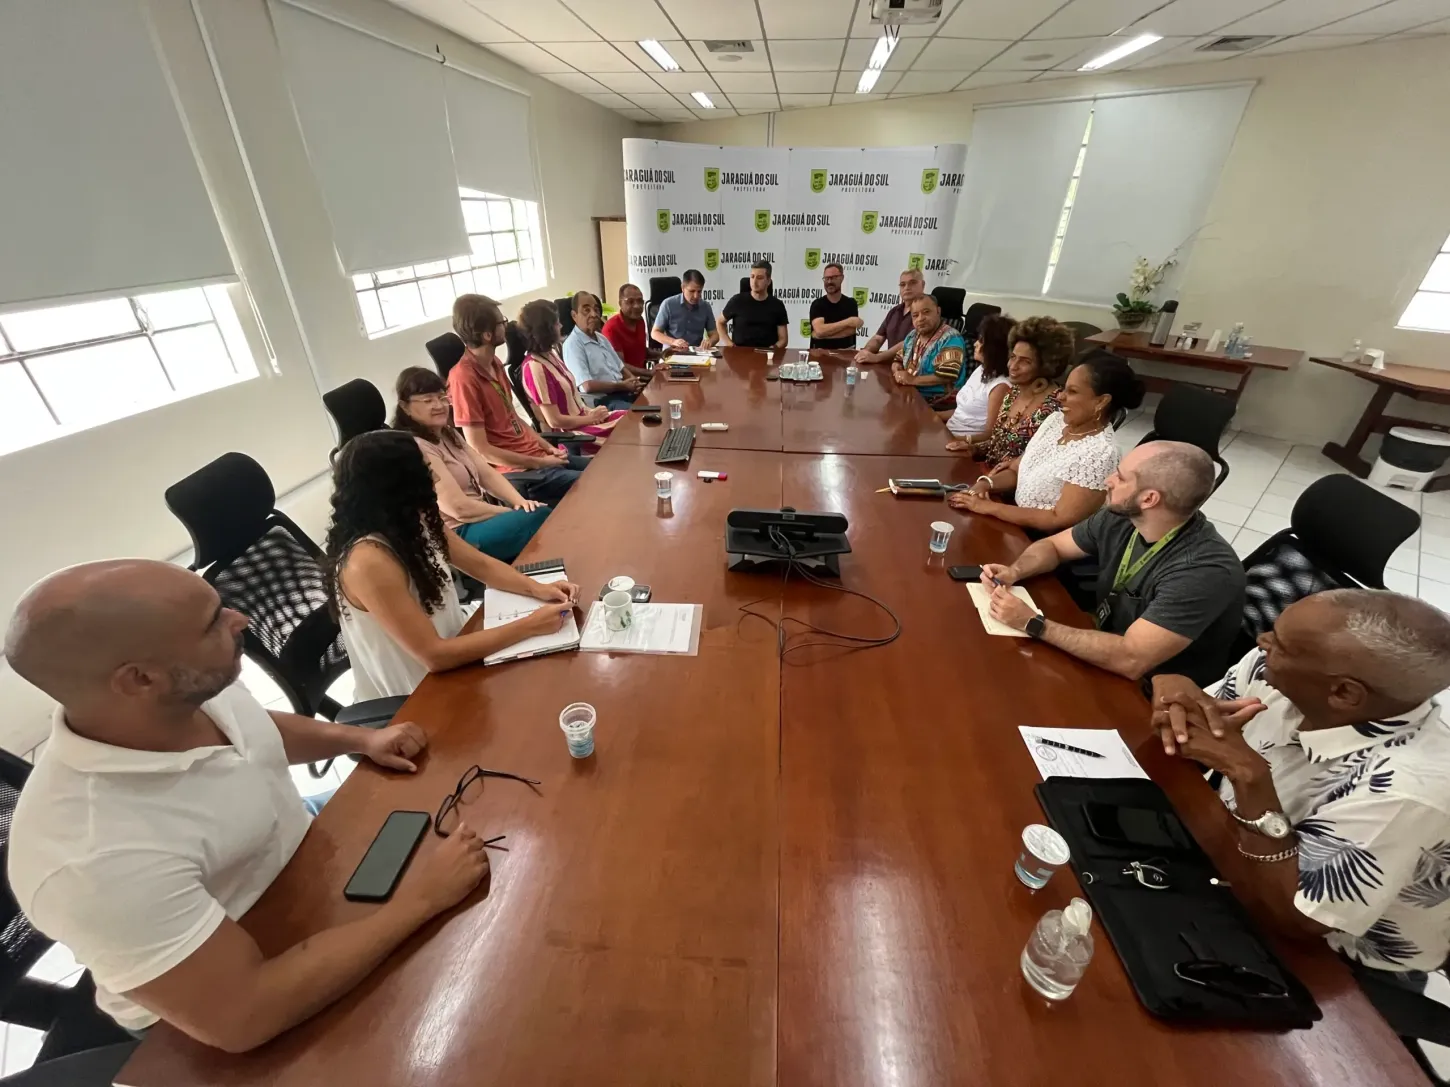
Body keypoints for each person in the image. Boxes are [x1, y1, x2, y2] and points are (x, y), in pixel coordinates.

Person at [4, 558, 492, 1051]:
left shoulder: (179, 692)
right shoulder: (90, 861)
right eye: (214, 621)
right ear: (140, 680)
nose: (241, 619)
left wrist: (360, 740)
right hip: (227, 992)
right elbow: (244, 1016)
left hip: (300, 864)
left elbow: (256, 729)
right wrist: (422, 901)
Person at [1149, 589, 1450, 1003]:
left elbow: (1297, 919)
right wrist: (1175, 693)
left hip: (1336, 965)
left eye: (1280, 645)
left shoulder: (1409, 792)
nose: (1261, 642)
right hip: (1232, 858)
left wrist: (1250, 776)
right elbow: (1189, 726)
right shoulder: (1273, 671)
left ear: (1344, 694)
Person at [326, 430, 579, 699]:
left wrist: (537, 588)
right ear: (394, 486)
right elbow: (434, 656)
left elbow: (479, 564)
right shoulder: (368, 561)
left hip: (459, 641)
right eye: (424, 471)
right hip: (422, 690)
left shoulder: (412, 517)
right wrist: (531, 625)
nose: (434, 478)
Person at [979, 441, 1244, 687]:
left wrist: (1032, 623)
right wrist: (1016, 570)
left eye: (1120, 477)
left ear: (1149, 499)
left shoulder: (1203, 572)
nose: (1109, 480)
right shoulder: (1121, 516)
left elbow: (1131, 659)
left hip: (1152, 692)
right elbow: (1054, 546)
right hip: (1104, 645)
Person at [949, 351, 1144, 535]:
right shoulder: (1055, 421)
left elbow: (1058, 519)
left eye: (1073, 391)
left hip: (1041, 540)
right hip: (1011, 520)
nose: (1060, 396)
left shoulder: (1100, 453)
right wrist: (986, 484)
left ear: (1101, 401)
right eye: (1064, 388)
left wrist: (989, 508)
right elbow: (1019, 470)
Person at [390, 367, 550, 563]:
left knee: (536, 513)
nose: (439, 405)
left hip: (482, 518)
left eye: (442, 397)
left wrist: (521, 502)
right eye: (428, 400)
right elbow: (458, 509)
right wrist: (511, 512)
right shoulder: (418, 448)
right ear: (404, 407)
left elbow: (486, 474)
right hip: (459, 534)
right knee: (541, 517)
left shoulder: (448, 433)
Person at [446, 293, 589, 507]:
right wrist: (540, 462)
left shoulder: (494, 364)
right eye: (501, 322)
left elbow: (514, 418)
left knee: (605, 468)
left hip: (539, 458)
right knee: (596, 484)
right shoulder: (464, 378)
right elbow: (481, 449)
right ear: (487, 335)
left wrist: (547, 448)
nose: (506, 326)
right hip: (521, 473)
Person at [518, 298, 624, 452]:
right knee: (627, 433)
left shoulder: (551, 354)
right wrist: (591, 418)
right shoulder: (535, 367)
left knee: (630, 418)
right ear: (545, 329)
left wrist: (592, 413)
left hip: (584, 419)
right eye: (556, 323)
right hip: (572, 434)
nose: (560, 326)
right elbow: (554, 421)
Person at [968, 316, 1074, 465]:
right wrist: (971, 448)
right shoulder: (1013, 392)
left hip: (1010, 484)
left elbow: (1037, 464)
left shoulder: (1055, 407)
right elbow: (997, 444)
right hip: (986, 473)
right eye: (1013, 357)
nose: (1013, 366)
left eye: (1025, 361)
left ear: (1045, 365)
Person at [563, 290, 651, 410]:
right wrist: (622, 386)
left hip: (622, 393)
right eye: (586, 310)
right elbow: (587, 386)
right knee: (638, 414)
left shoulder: (601, 338)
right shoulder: (573, 344)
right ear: (574, 315)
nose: (594, 314)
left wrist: (633, 382)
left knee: (656, 401)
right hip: (601, 401)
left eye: (596, 309)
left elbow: (621, 367)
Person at [940, 312, 1013, 445]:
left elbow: (989, 434)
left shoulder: (1000, 386)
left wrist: (956, 439)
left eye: (981, 341)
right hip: (947, 433)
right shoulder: (981, 370)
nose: (975, 344)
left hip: (962, 446)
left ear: (994, 348)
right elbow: (961, 413)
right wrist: (933, 417)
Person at [891, 294, 968, 401]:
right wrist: (897, 370)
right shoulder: (912, 335)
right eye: (915, 315)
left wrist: (912, 379)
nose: (920, 319)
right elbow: (898, 359)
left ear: (938, 311)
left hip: (938, 402)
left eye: (926, 312)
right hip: (910, 394)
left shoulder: (951, 338)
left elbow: (947, 376)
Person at [854, 268, 924, 365]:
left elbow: (908, 342)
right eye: (903, 284)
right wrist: (866, 352)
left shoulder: (925, 313)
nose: (907, 287)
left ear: (923, 285)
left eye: (912, 283)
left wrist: (877, 357)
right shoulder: (894, 311)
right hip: (890, 366)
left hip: (913, 370)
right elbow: (878, 338)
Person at [719, 261, 789, 349]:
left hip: (767, 355)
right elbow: (720, 322)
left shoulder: (777, 305)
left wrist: (773, 348)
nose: (754, 282)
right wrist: (730, 345)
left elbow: (783, 339)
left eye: (759, 278)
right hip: (740, 355)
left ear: (768, 281)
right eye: (752, 277)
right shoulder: (737, 301)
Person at [600, 282, 659, 374]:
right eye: (630, 302)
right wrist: (648, 373)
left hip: (641, 378)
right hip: (623, 383)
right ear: (620, 303)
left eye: (640, 301)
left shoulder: (640, 321)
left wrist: (664, 354)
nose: (637, 306)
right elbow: (619, 366)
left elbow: (640, 351)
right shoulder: (611, 328)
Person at [651, 269, 717, 351]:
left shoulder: (705, 306)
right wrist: (673, 341)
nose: (696, 296)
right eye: (692, 291)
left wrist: (709, 341)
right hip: (673, 351)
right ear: (682, 288)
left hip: (696, 353)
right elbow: (655, 333)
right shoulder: (668, 304)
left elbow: (715, 335)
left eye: (699, 291)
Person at [809, 262, 863, 350]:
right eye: (826, 278)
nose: (829, 282)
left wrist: (824, 333)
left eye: (833, 278)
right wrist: (848, 322)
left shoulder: (851, 303)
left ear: (842, 278)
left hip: (846, 357)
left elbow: (851, 331)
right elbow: (820, 331)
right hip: (819, 358)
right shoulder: (817, 304)